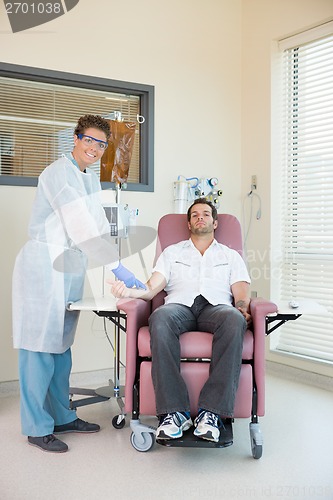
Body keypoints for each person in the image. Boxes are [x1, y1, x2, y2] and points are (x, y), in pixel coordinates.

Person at [12, 114, 145, 453]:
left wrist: (121, 263)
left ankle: (62, 416)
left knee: (61, 347)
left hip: (70, 267)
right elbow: (80, 226)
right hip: (44, 267)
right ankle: (37, 426)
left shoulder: (89, 179)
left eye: (102, 144)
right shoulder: (58, 173)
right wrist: (116, 267)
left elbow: (98, 224)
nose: (95, 148)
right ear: (76, 138)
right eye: (89, 140)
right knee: (39, 347)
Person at [111, 198, 251, 443]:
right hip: (179, 307)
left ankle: (212, 413)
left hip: (217, 308)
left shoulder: (230, 256)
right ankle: (174, 413)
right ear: (188, 223)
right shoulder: (173, 252)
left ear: (215, 222)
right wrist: (130, 292)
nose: (200, 217)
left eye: (206, 214)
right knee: (160, 317)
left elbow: (240, 291)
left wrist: (241, 309)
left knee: (233, 319)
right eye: (195, 214)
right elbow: (152, 287)